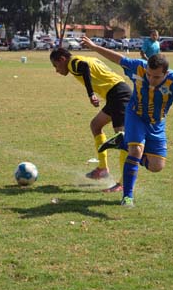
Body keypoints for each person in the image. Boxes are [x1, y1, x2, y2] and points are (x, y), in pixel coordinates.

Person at [81, 36, 173, 207]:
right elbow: (117, 58)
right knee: (135, 152)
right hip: (135, 116)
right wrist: (95, 46)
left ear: (165, 73)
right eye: (148, 74)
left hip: (156, 124)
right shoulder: (139, 67)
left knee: (157, 166)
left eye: (156, 77)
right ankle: (127, 197)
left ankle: (122, 142)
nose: (150, 79)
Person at [50, 47, 132, 192]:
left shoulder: (74, 62)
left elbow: (84, 68)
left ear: (62, 59)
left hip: (119, 94)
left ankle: (123, 183)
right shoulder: (84, 58)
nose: (57, 70)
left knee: (123, 139)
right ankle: (102, 168)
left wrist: (91, 94)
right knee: (96, 125)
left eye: (56, 66)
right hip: (115, 94)